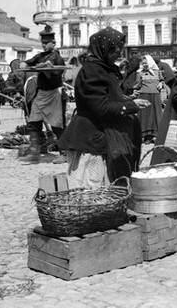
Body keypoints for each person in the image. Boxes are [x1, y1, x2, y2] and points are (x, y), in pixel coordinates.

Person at [58, 27, 151, 188]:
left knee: (105, 183)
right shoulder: (92, 70)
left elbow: (108, 96)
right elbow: (99, 106)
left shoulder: (104, 68)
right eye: (114, 50)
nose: (118, 54)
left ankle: (105, 210)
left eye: (120, 50)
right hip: (91, 134)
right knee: (91, 184)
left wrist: (126, 100)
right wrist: (129, 106)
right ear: (103, 48)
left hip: (103, 131)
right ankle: (90, 211)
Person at [18, 30, 67, 164]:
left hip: (54, 93)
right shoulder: (40, 56)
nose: (44, 45)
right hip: (41, 93)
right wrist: (24, 64)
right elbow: (29, 62)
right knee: (33, 121)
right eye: (43, 43)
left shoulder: (57, 57)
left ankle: (64, 153)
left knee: (57, 125)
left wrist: (45, 67)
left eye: (47, 43)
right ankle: (34, 152)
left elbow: (54, 69)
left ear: (53, 43)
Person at [133, 55, 164, 144]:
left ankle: (157, 136)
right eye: (143, 64)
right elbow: (137, 84)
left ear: (150, 62)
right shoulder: (140, 73)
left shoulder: (157, 71)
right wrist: (134, 89)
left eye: (146, 63)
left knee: (155, 115)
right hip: (144, 96)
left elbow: (162, 80)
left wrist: (161, 84)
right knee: (145, 117)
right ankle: (146, 136)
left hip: (155, 96)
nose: (144, 65)